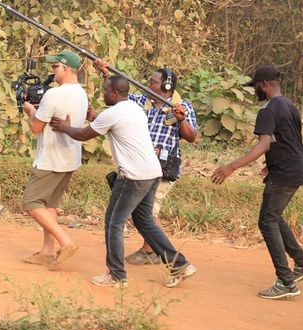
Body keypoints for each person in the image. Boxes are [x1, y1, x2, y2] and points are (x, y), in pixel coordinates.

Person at [51, 75, 197, 288]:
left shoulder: (113, 113)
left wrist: (64, 127)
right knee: (145, 222)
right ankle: (180, 265)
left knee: (114, 222)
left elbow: (82, 134)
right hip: (152, 172)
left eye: (105, 90)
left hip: (133, 176)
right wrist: (95, 117)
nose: (103, 93)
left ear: (114, 93)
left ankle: (116, 275)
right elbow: (113, 126)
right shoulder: (134, 108)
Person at [212, 65, 303, 300]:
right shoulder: (289, 105)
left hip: (285, 172)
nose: (255, 91)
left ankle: (286, 282)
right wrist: (271, 163)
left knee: (267, 221)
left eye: (256, 86)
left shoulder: (268, 110)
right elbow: (288, 139)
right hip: (296, 166)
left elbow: (263, 145)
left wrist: (230, 167)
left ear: (264, 84)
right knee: (274, 216)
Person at [94, 61, 199, 265]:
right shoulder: (141, 101)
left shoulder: (182, 106)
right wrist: (106, 75)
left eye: (153, 82)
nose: (148, 84)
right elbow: (118, 97)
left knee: (148, 214)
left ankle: (157, 254)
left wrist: (181, 120)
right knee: (144, 213)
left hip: (163, 167)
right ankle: (156, 253)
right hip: (139, 166)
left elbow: (192, 137)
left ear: (166, 86)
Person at [20, 50, 88, 269]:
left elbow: (35, 128)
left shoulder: (54, 95)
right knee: (49, 204)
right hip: (70, 157)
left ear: (66, 68)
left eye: (55, 66)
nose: (52, 70)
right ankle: (47, 251)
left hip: (50, 158)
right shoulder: (81, 93)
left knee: (31, 202)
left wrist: (30, 110)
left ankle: (65, 242)